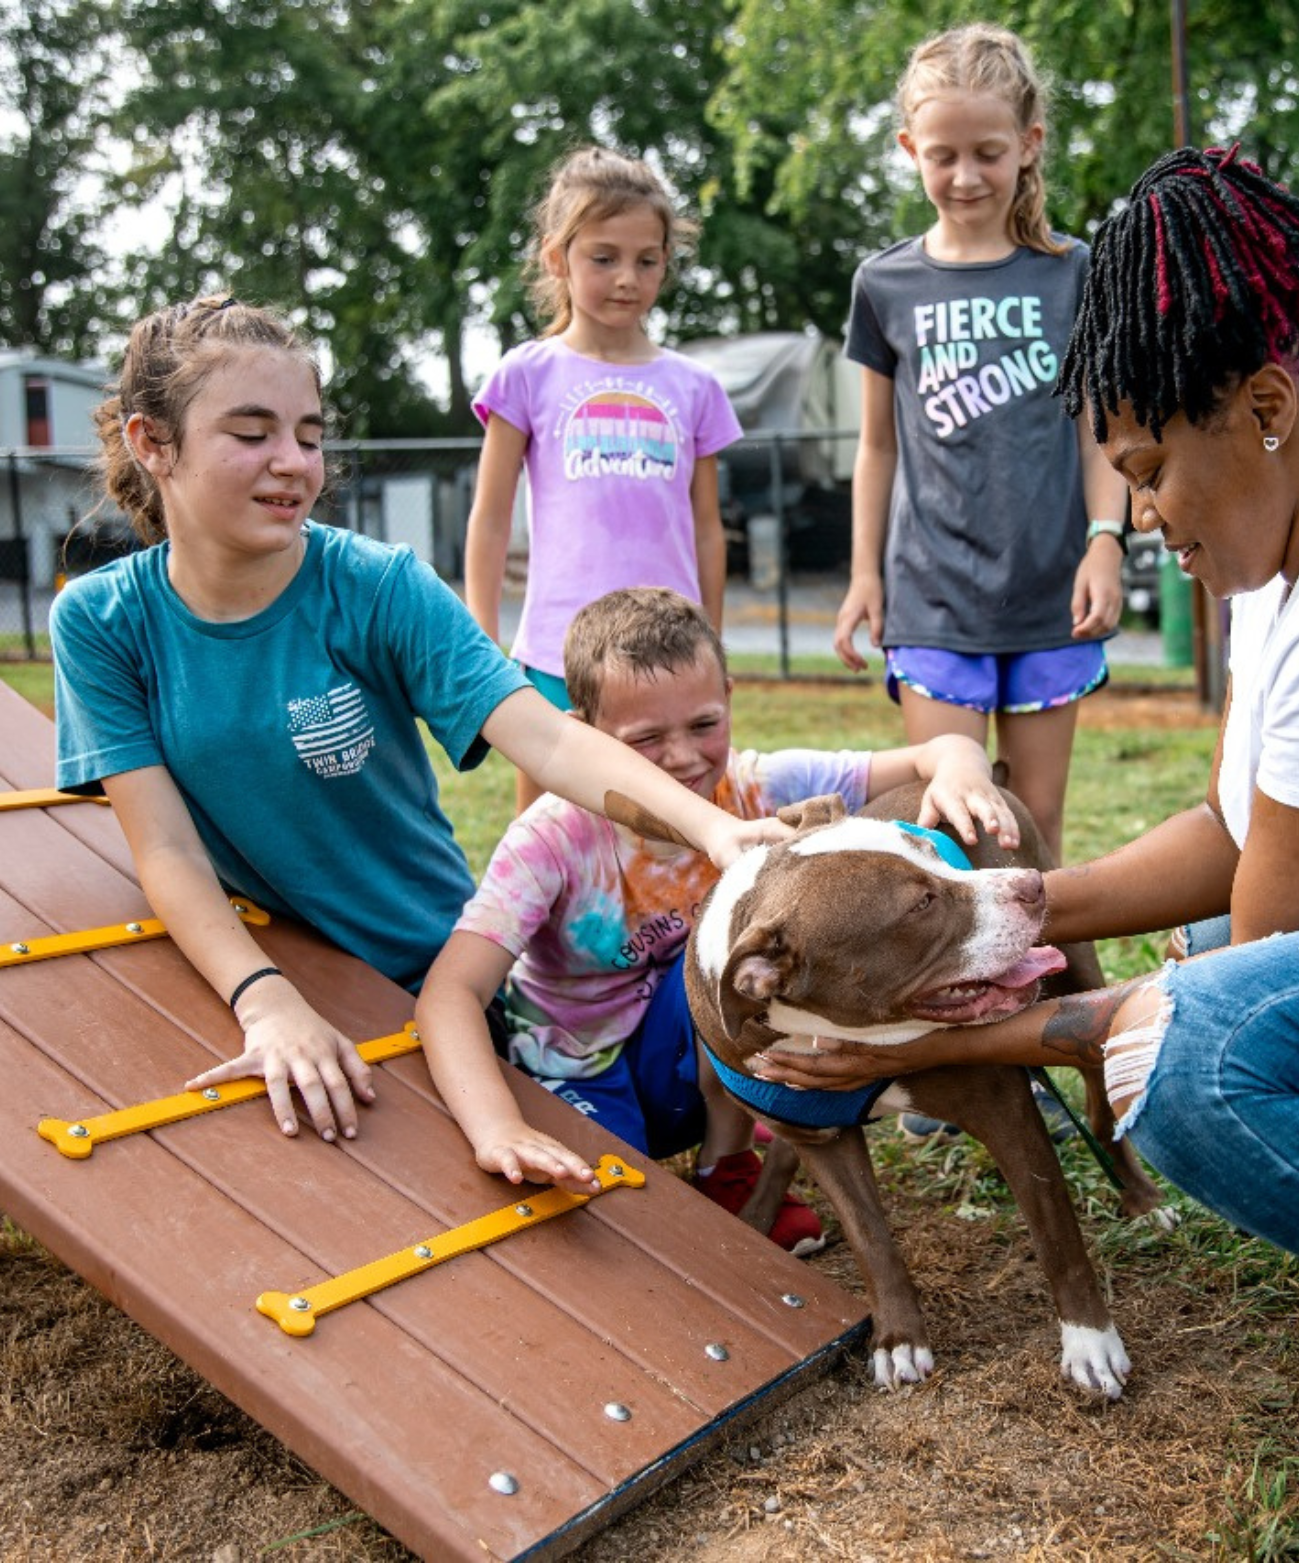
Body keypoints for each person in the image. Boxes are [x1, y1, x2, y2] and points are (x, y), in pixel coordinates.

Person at [50, 298, 797, 1149]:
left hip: (424, 969)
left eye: (308, 432)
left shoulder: (378, 585)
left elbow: (547, 736)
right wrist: (265, 999)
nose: (293, 463)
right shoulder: (102, 621)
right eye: (251, 433)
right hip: (261, 970)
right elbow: (168, 851)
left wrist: (711, 828)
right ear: (152, 443)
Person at [759, 146, 1299, 1258]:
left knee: (1183, 1054)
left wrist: (932, 1044)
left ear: (1268, 408)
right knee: (1190, 948)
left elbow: (1254, 976)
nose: (1141, 516)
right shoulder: (1263, 580)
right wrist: (987, 915)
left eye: (1148, 472)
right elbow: (1227, 835)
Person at [415, 587, 1018, 1245]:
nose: (682, 756)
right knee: (604, 1221)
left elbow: (938, 751)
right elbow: (451, 991)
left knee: (732, 961)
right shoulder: (550, 841)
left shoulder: (757, 785)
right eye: (645, 737)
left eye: (704, 725)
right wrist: (498, 1126)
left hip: (700, 1050)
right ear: (582, 730)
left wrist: (963, 769)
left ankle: (727, 1165)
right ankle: (695, 1130)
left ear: (728, 696)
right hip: (576, 1064)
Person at [832, 23, 1129, 865]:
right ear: (908, 149)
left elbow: (1096, 429)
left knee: (1034, 827)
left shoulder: (1072, 271)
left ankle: (1057, 997)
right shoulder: (881, 284)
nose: (964, 176)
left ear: (1029, 144)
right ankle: (964, 999)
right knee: (952, 832)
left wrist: (1104, 543)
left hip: (1049, 598)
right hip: (931, 600)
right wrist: (863, 574)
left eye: (988, 152)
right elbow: (877, 448)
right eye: (942, 155)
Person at [463, 144, 743, 815]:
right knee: (549, 838)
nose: (627, 278)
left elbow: (707, 527)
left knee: (665, 835)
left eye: (647, 259)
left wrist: (711, 643)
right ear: (557, 258)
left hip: (668, 661)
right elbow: (491, 516)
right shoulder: (524, 375)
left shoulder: (695, 387)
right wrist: (481, 641)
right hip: (555, 656)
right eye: (603, 257)